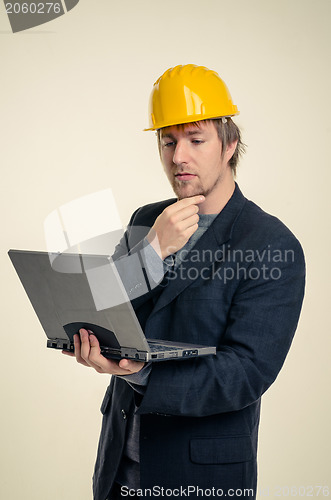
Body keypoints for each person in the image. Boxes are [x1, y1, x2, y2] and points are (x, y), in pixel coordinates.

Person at [63, 64, 305, 499]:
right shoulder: (147, 221)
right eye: (168, 141)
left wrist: (143, 374)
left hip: (201, 476)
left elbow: (246, 373)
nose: (179, 157)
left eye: (196, 140)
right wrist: (152, 252)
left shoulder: (270, 243)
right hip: (119, 469)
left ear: (229, 144)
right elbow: (107, 311)